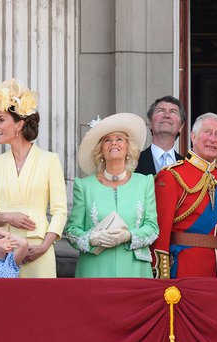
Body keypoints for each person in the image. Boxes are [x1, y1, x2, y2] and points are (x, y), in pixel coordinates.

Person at [0, 78, 67, 278]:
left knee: (40, 305)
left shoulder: (50, 160)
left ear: (19, 124)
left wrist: (44, 247)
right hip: (2, 247)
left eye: (1, 120)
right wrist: (7, 217)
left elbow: (60, 211)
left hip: (38, 248)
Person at [65, 113, 159, 278]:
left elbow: (152, 229)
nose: (113, 143)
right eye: (107, 140)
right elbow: (72, 231)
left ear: (128, 148)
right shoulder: (84, 186)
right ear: (100, 150)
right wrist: (92, 238)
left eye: (119, 139)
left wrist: (128, 235)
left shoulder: (145, 183)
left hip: (135, 270)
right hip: (95, 270)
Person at [153, 112, 217, 278]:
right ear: (193, 137)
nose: (213, 139)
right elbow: (161, 230)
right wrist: (161, 273)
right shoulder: (172, 175)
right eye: (207, 132)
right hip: (184, 270)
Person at [135, 96, 185, 175]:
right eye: (161, 111)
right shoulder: (132, 163)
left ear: (181, 127)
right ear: (150, 123)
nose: (167, 115)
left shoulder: (188, 166)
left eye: (173, 112)